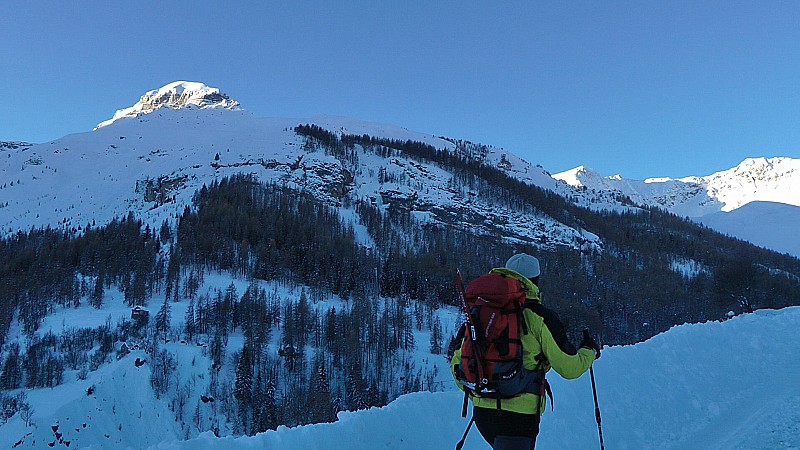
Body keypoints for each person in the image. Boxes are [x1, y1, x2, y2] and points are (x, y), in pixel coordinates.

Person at [451, 253, 601, 450]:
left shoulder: (480, 313)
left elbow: (458, 364)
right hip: (518, 419)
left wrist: (486, 390)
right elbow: (569, 368)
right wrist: (589, 351)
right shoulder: (539, 317)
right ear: (536, 281)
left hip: (482, 415)